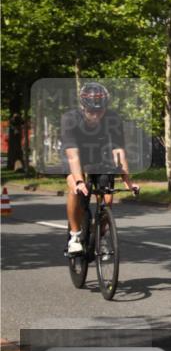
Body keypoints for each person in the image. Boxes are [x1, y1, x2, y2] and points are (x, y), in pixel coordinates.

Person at [62, 83, 138, 256]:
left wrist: (128, 181)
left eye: (100, 112)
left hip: (99, 155)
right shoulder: (70, 119)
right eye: (91, 112)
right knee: (75, 189)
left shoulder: (113, 119)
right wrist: (80, 181)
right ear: (83, 107)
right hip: (75, 154)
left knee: (108, 197)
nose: (96, 116)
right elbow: (73, 156)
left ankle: (101, 235)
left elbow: (119, 151)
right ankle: (74, 236)